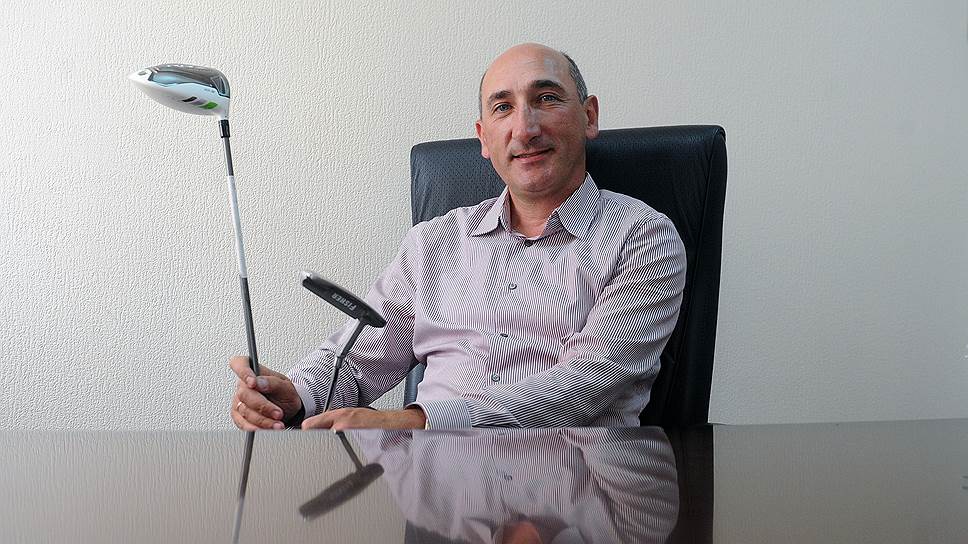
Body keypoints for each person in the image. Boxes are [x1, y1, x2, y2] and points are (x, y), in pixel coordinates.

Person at [230, 43, 686, 431]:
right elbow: (358, 360)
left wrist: (422, 421)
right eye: (503, 107)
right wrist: (296, 395)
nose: (525, 128)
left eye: (546, 98)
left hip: (575, 488)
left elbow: (589, 387)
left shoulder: (643, 237)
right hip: (437, 495)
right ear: (484, 138)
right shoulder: (433, 243)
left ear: (589, 117)